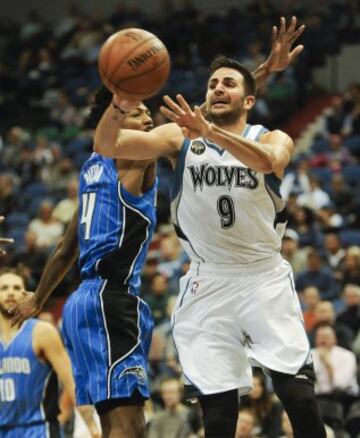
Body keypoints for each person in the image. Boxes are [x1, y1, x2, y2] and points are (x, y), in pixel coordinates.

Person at [93, 17, 327, 438]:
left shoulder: (271, 136)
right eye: (213, 83)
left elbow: (268, 163)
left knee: (299, 398)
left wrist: (213, 132)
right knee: (218, 414)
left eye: (229, 84)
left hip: (263, 277)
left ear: (249, 101)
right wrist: (120, 101)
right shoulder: (180, 140)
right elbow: (107, 146)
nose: (218, 87)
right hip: (208, 281)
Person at [11, 87, 157, 438]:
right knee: (129, 425)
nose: (150, 118)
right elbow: (199, 127)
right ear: (116, 116)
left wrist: (39, 299)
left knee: (111, 421)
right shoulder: (134, 158)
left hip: (81, 302)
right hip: (111, 299)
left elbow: (66, 247)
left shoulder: (91, 167)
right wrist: (253, 80)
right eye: (139, 112)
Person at [0, 268, 98, 437]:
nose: (10, 293)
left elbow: (72, 383)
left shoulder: (42, 332)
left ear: (26, 294)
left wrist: (93, 426)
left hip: (38, 429)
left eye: (17, 288)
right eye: (4, 288)